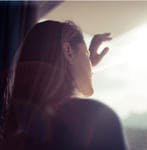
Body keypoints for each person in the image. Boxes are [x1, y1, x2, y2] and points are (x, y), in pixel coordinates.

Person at [1, 20, 128, 150]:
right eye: (87, 55)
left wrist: (81, 61)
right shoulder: (94, 117)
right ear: (68, 51)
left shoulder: (13, 123)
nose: (90, 64)